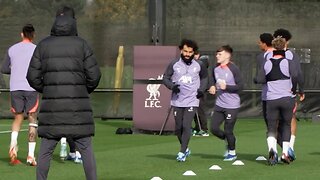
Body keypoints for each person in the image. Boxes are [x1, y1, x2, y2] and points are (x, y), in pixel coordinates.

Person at [26, 6, 101, 180]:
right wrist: (83, 90)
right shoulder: (82, 45)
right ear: (74, 23)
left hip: (52, 109)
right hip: (78, 109)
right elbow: (94, 76)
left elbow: (32, 76)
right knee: (86, 150)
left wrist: (48, 89)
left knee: (45, 151)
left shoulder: (43, 45)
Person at [255, 36, 299, 165]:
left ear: (273, 48)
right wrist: (294, 89)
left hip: (271, 99)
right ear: (284, 47)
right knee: (286, 125)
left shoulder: (266, 62)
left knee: (271, 126)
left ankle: (272, 150)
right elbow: (295, 76)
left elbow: (260, 79)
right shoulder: (289, 62)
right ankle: (285, 153)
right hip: (287, 98)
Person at [163, 39, 208, 162]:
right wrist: (172, 86)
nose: (187, 54)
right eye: (185, 51)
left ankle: (182, 152)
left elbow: (205, 77)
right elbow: (165, 78)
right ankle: (185, 148)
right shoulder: (174, 64)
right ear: (181, 50)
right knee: (178, 128)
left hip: (192, 100)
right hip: (177, 101)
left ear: (194, 52)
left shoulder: (199, 65)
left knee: (186, 125)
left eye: (190, 52)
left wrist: (201, 90)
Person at [1, 24, 39, 166]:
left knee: (17, 118)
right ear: (33, 35)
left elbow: (4, 68)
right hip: (31, 88)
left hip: (15, 88)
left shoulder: (12, 49)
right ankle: (30, 156)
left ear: (22, 34)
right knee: (32, 119)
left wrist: (16, 70)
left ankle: (13, 149)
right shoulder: (37, 50)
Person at [272, 29, 305, 162]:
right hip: (288, 93)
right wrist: (300, 90)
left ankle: (285, 149)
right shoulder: (291, 55)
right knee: (289, 118)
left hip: (274, 94)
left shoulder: (272, 55)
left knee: (277, 121)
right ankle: (288, 147)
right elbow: (298, 74)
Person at [208, 45, 243, 161]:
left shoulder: (234, 69)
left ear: (227, 55)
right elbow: (212, 79)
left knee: (228, 130)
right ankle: (229, 139)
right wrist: (212, 86)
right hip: (219, 104)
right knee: (213, 128)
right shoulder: (215, 68)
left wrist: (226, 87)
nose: (217, 56)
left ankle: (232, 152)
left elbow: (240, 86)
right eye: (217, 54)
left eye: (220, 54)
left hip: (232, 106)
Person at [255, 33, 274, 127]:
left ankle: (275, 140)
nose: (259, 45)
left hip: (268, 94)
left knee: (270, 124)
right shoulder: (283, 54)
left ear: (264, 44)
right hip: (284, 94)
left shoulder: (262, 57)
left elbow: (262, 76)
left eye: (260, 43)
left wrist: (256, 79)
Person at [192, 51, 210, 137]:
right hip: (193, 91)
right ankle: (197, 127)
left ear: (198, 55)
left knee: (200, 110)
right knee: (194, 111)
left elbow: (205, 77)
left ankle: (204, 129)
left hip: (201, 91)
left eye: (195, 54)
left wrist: (202, 89)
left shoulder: (201, 63)